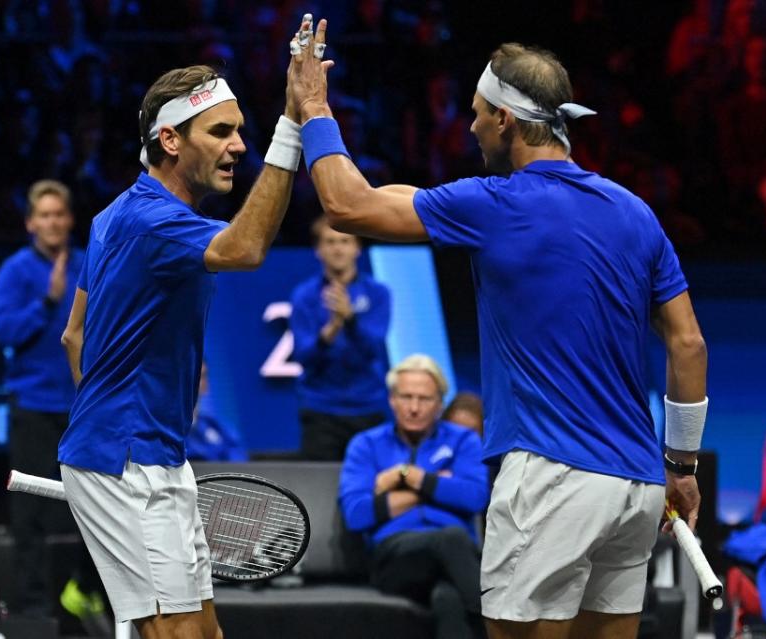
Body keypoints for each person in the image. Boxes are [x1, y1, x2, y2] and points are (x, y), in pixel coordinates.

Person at [290, 26, 708, 639]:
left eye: (479, 115)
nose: (470, 128)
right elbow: (688, 344)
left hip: (551, 479)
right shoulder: (635, 212)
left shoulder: (494, 205)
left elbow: (348, 206)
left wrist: (315, 109)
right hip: (636, 485)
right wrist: (682, 464)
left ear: (508, 121)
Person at [57, 35, 306, 638]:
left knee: (205, 632)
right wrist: (293, 126)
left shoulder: (112, 215)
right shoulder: (154, 223)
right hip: (129, 458)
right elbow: (245, 249)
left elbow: (74, 336)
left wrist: (103, 419)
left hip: (142, 451)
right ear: (170, 140)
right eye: (220, 132)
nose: (239, 147)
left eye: (242, 131)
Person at [0, 179, 106, 624]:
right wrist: (48, 301)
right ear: (30, 223)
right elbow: (5, 333)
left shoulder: (89, 264)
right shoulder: (15, 272)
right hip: (35, 407)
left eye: (60, 214)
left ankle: (88, 592)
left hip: (85, 406)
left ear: (70, 220)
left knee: (100, 509)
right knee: (30, 512)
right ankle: (34, 609)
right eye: (45, 215)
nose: (53, 222)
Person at [339, 354, 488, 639]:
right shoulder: (366, 445)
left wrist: (410, 479)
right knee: (452, 538)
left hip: (455, 563)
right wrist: (437, 487)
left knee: (448, 598)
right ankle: (499, 626)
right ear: (392, 400)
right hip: (395, 559)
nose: (414, 408)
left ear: (440, 404)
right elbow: (357, 514)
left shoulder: (463, 440)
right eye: (406, 397)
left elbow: (475, 497)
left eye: (425, 399)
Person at [290, 216, 391, 460]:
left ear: (357, 248)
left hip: (368, 406)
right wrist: (331, 329)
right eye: (330, 241)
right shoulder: (304, 296)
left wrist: (351, 320)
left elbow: (374, 349)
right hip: (320, 409)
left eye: (345, 241)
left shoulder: (378, 293)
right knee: (316, 489)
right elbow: (302, 356)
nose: (338, 248)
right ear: (318, 250)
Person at [186, 362, 247, 462]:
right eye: (189, 375)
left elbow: (238, 463)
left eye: (200, 376)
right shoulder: (162, 429)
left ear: (206, 384)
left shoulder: (220, 429)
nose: (194, 381)